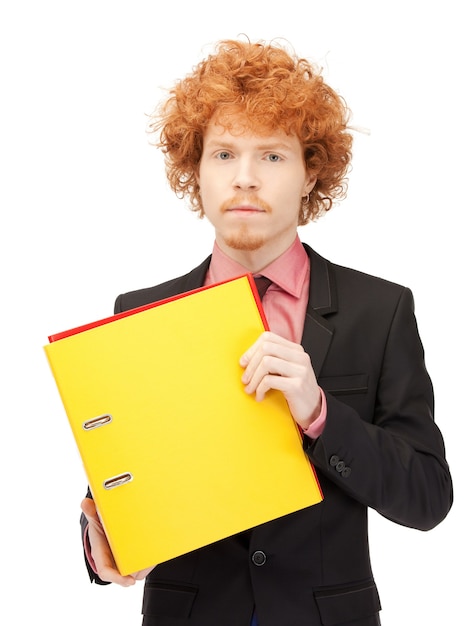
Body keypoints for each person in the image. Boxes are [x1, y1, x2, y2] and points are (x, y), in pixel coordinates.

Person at [80, 39, 453, 626]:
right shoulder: (140, 312)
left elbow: (428, 497)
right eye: (223, 154)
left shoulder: (379, 311)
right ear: (194, 172)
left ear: (310, 175)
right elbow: (120, 483)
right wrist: (102, 539)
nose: (245, 179)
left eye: (273, 157)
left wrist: (321, 414)